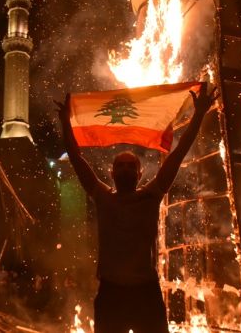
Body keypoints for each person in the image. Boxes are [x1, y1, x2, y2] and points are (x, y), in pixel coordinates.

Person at [54, 84, 217, 333]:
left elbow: (179, 152)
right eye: (121, 166)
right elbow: (76, 158)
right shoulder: (102, 197)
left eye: (131, 166)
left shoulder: (151, 196)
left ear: (140, 174)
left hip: (146, 294)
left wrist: (198, 116)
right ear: (112, 173)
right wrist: (67, 123)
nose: (126, 170)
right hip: (111, 294)